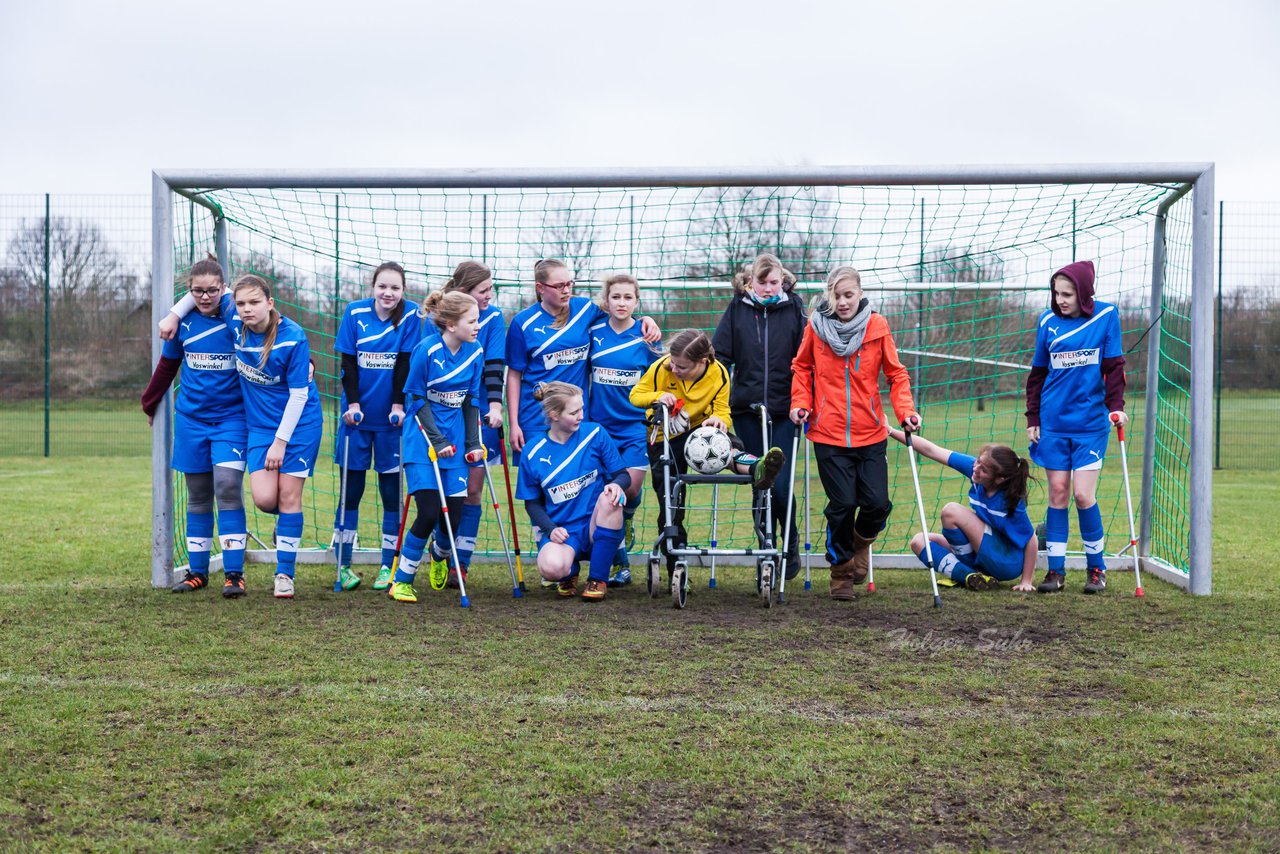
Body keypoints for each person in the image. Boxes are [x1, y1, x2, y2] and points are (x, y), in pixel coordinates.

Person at [161, 274, 324, 599]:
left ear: (270, 304)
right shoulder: (234, 319)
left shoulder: (292, 337)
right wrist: (174, 314)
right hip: (261, 425)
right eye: (242, 303)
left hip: (299, 422)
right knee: (265, 499)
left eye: (255, 302)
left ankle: (284, 575)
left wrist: (280, 442)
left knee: (290, 497)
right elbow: (203, 292)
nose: (247, 309)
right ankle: (287, 524)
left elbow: (298, 396)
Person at [790, 266, 920, 600]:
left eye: (849, 295)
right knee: (842, 503)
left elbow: (896, 374)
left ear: (860, 294)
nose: (843, 302)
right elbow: (802, 367)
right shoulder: (815, 328)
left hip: (871, 432)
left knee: (877, 504)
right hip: (828, 433)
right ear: (828, 295)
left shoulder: (877, 326)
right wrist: (800, 402)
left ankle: (860, 545)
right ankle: (841, 570)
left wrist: (906, 412)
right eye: (837, 295)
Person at [630, 329, 784, 578]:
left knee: (729, 447)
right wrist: (659, 396)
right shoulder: (662, 368)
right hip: (666, 436)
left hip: (702, 431)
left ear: (702, 362)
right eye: (673, 362)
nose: (674, 368)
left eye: (681, 366)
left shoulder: (718, 373)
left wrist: (719, 420)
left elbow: (723, 410)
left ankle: (759, 468)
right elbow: (635, 395)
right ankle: (675, 564)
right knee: (671, 501)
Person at [141, 256, 249, 598]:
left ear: (223, 289)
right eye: (197, 291)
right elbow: (168, 366)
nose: (204, 297)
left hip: (232, 420)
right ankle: (197, 572)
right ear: (188, 291)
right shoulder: (184, 324)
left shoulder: (236, 317)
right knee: (199, 495)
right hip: (191, 420)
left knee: (228, 486)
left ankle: (234, 573)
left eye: (212, 290)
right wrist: (149, 400)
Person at [1025, 260, 1127, 595]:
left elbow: (1114, 368)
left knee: (1083, 495)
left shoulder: (1106, 316)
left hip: (1089, 426)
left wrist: (1116, 408)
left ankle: (1096, 570)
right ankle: (1055, 572)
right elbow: (1037, 375)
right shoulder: (1046, 322)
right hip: (1053, 424)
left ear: (1083, 293)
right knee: (1057, 494)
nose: (1061, 299)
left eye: (1067, 293)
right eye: (1056, 293)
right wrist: (1033, 418)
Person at [504, 258, 660, 457]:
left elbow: (620, 316)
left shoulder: (585, 309)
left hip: (576, 417)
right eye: (559, 286)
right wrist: (514, 424)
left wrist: (646, 320)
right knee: (538, 482)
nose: (566, 290)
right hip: (536, 417)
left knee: (577, 483)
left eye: (569, 284)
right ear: (540, 288)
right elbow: (514, 375)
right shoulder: (522, 323)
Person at [386, 291, 485, 604]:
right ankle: (401, 580)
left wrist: (472, 443)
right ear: (452, 324)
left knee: (452, 521)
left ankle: (439, 554)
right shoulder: (426, 350)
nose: (478, 326)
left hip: (455, 445)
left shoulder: (475, 351)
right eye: (472, 321)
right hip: (422, 442)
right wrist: (437, 440)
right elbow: (415, 397)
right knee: (428, 512)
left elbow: (471, 400)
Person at [712, 253, 807, 576]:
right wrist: (716, 402)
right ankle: (766, 549)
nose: (768, 288)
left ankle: (789, 542)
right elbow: (720, 358)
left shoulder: (794, 308)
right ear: (750, 281)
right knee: (759, 480)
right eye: (762, 282)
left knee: (780, 485)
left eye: (774, 282)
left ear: (783, 282)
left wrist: (802, 400)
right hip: (746, 411)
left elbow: (805, 359)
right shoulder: (738, 308)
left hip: (785, 412)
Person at [333, 262, 421, 592]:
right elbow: (348, 363)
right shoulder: (354, 313)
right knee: (350, 493)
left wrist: (399, 406)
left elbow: (405, 363)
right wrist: (353, 405)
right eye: (383, 286)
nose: (388, 293)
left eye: (395, 288)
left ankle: (388, 565)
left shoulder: (411, 315)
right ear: (373, 287)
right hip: (356, 422)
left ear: (403, 291)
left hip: (391, 424)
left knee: (390, 495)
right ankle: (343, 565)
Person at [420, 261, 506, 590]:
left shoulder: (494, 318)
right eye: (483, 290)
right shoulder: (436, 319)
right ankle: (435, 549)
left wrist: (496, 406)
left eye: (490, 290)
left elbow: (495, 364)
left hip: (477, 413)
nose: (489, 296)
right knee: (437, 492)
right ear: (465, 292)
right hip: (440, 418)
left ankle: (460, 562)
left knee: (472, 491)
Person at [886, 427, 1039, 593]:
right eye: (978, 461)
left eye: (984, 469)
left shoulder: (1012, 502)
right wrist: (890, 431)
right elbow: (932, 450)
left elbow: (1031, 539)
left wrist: (1026, 580)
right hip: (980, 554)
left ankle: (967, 569)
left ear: (1000, 479)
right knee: (919, 541)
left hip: (1006, 561)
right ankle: (970, 576)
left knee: (951, 511)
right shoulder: (975, 470)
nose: (976, 468)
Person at [516, 382, 629, 602]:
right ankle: (569, 572)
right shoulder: (532, 450)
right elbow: (532, 503)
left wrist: (617, 485)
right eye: (574, 412)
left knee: (611, 498)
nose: (581, 416)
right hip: (563, 532)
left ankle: (598, 579)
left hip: (595, 523)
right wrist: (551, 529)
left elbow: (622, 475)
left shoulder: (595, 433)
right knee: (550, 568)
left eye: (582, 410)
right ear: (554, 415)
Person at [587, 274, 660, 586]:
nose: (621, 303)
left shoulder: (647, 338)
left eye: (628, 297)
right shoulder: (593, 332)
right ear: (607, 299)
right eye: (616, 297)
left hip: (634, 426)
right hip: (598, 427)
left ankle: (628, 519)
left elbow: (659, 379)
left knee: (628, 490)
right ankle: (621, 565)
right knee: (607, 494)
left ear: (636, 301)